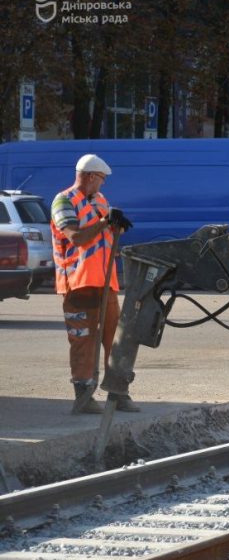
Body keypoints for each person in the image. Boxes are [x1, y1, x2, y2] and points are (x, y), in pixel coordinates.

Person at [51, 154, 136, 414]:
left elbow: (106, 233)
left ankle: (118, 392)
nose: (102, 185)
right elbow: (75, 237)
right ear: (89, 176)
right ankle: (84, 395)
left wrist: (116, 226)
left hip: (105, 282)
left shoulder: (99, 200)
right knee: (83, 340)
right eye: (101, 179)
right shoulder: (64, 201)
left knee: (116, 338)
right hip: (78, 284)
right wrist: (103, 223)